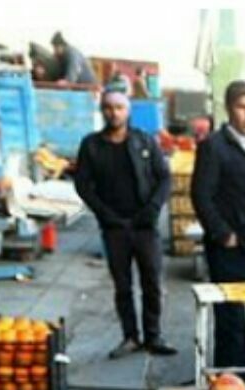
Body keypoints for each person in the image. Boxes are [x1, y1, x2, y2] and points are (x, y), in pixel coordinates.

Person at [73, 91, 175, 358]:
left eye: (119, 107)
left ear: (127, 111)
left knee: (152, 282)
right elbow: (82, 185)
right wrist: (104, 214)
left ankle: (154, 336)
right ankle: (130, 337)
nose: (113, 113)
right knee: (123, 286)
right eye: (108, 108)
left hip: (145, 226)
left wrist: (153, 209)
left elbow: (164, 178)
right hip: (114, 228)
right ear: (102, 111)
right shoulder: (92, 145)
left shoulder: (144, 141)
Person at [191, 80, 245, 370]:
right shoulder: (214, 146)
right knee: (232, 320)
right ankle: (230, 380)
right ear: (229, 109)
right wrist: (223, 234)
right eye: (242, 107)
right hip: (230, 248)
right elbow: (201, 195)